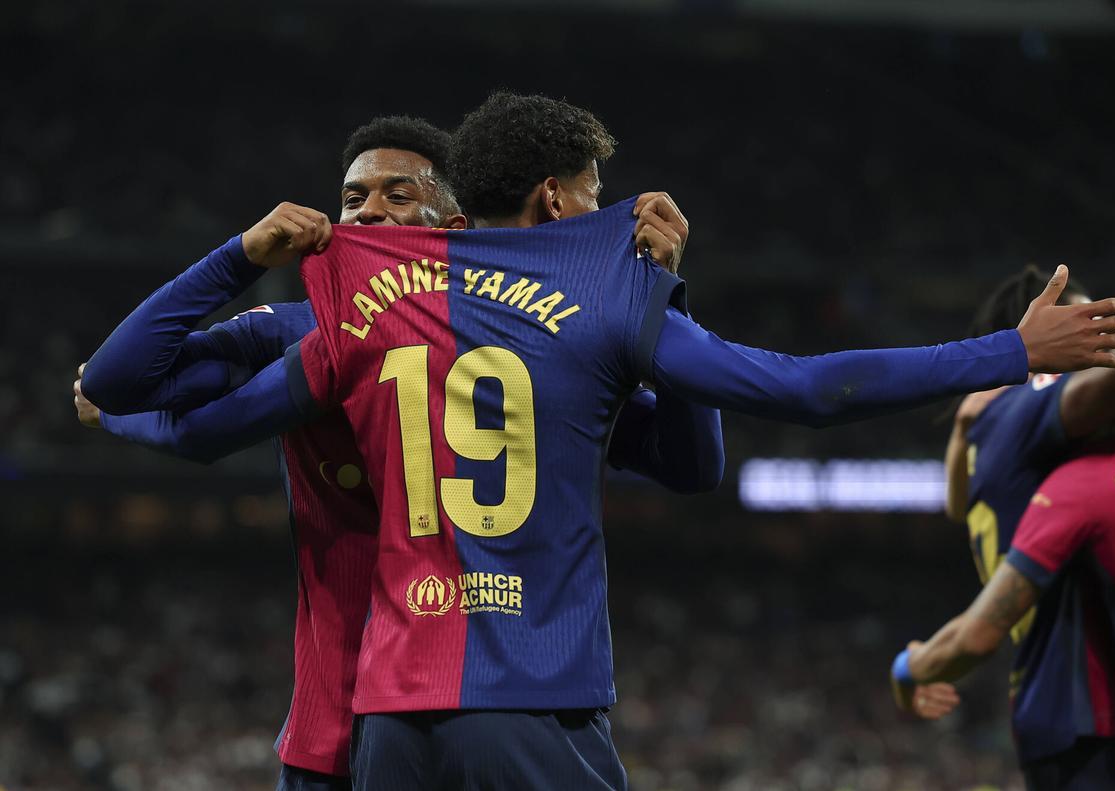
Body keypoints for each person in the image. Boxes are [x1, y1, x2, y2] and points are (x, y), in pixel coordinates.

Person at [271, 91, 1115, 788]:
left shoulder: (375, 312)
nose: (599, 210)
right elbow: (803, 388)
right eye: (592, 195)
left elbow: (691, 463)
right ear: (556, 198)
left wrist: (237, 259)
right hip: (533, 705)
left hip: (388, 722)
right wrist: (1011, 351)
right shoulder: (601, 297)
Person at [75, 114, 720, 791]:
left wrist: (670, 302)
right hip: (342, 734)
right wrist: (238, 255)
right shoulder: (303, 333)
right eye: (353, 199)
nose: (367, 212)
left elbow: (689, 464)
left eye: (399, 195)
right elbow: (127, 382)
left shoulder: (522, 359)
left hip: (468, 702)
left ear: (454, 227)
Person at [924, 255, 1115, 789]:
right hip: (1095, 712)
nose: (1101, 346)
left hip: (1069, 710)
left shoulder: (988, 427)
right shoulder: (1059, 444)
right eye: (1082, 331)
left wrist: (912, 669)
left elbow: (956, 505)